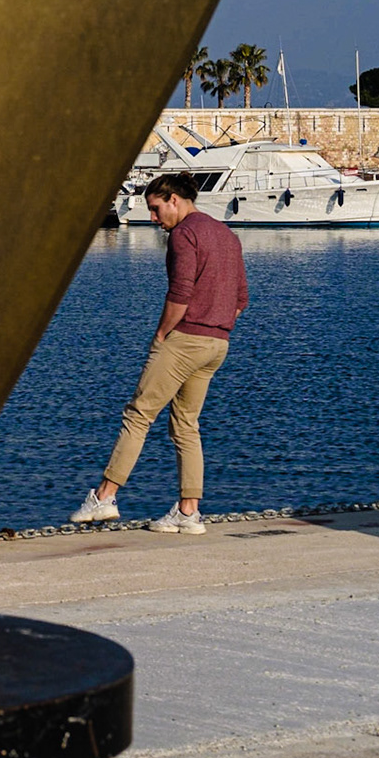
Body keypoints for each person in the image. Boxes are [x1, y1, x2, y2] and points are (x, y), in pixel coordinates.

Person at [69, 172, 246, 534]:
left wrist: (163, 333)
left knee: (138, 415)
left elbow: (180, 293)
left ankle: (104, 498)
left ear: (174, 200)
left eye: (155, 209)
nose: (153, 218)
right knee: (186, 425)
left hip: (185, 340)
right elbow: (241, 299)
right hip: (218, 343)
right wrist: (215, 323)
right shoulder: (228, 235)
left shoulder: (184, 234)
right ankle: (188, 512)